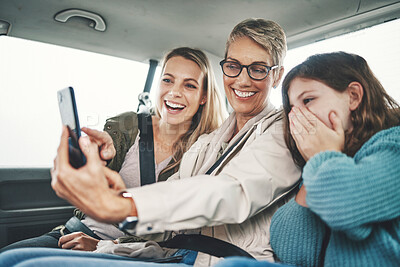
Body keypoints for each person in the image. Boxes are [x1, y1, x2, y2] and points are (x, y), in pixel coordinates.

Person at [0, 18, 301, 266]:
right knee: (14, 258)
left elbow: (231, 192)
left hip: (220, 259)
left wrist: (120, 206)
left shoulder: (286, 131)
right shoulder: (211, 142)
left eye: (258, 69)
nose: (243, 80)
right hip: (174, 252)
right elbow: (171, 200)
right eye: (233, 65)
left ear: (277, 76)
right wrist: (113, 195)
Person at [0, 47, 227, 252]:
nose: (174, 92)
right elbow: (92, 190)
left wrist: (104, 246)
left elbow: (176, 231)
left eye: (189, 85)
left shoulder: (204, 153)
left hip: (131, 250)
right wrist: (94, 161)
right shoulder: (127, 126)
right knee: (8, 256)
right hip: (75, 232)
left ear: (204, 96)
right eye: (168, 80)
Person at [212, 51, 400, 267]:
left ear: (353, 96)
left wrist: (322, 156)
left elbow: (346, 208)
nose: (296, 117)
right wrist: (315, 163)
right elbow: (293, 251)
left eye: (308, 100)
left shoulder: (393, 143)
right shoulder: (321, 165)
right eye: (292, 109)